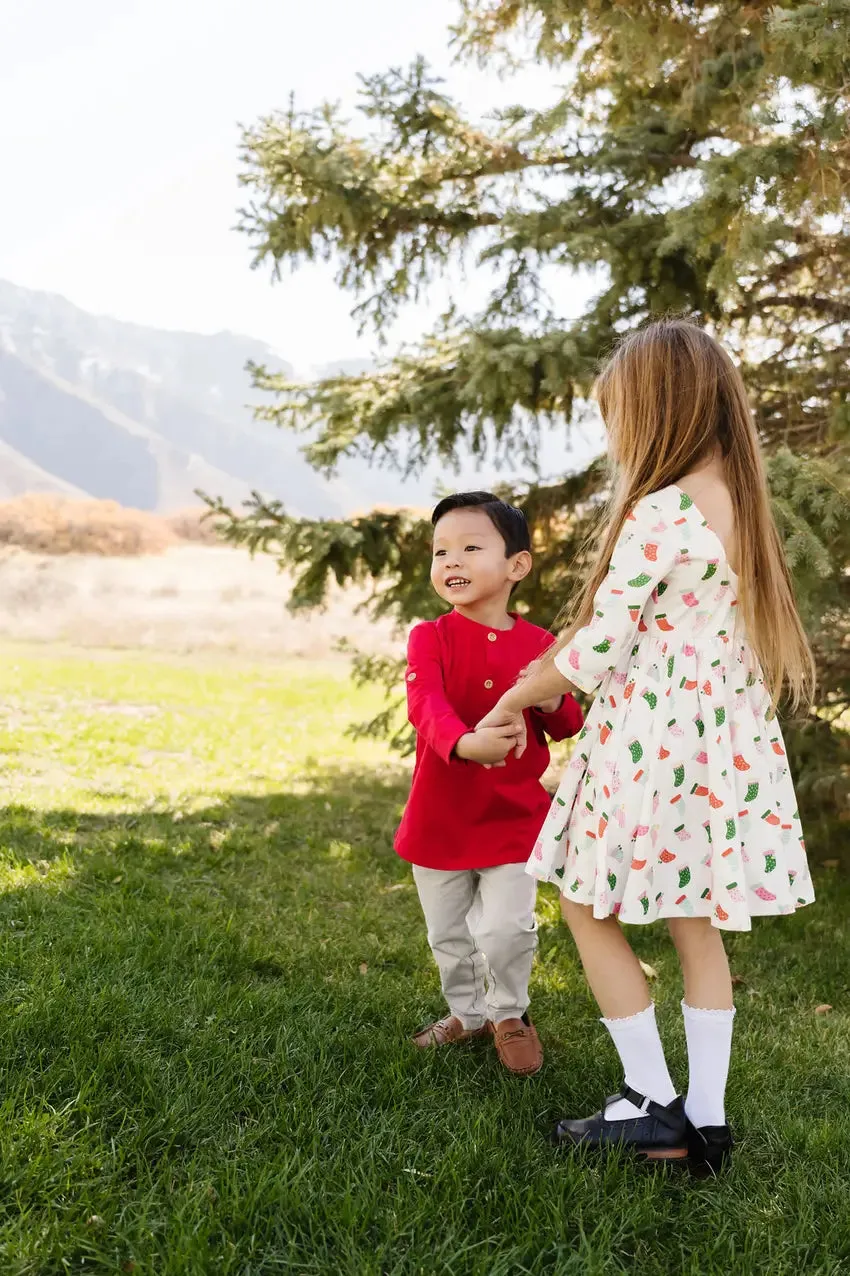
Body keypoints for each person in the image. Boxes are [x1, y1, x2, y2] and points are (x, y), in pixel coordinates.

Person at [475, 319, 815, 1168]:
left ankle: (649, 1100)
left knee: (586, 902)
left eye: (620, 413)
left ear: (657, 410)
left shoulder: (660, 509)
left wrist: (517, 693)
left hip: (653, 738)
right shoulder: (740, 502)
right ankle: (706, 1121)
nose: (615, 430)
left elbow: (597, 648)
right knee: (697, 925)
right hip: (719, 740)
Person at [396, 492, 583, 1075]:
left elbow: (569, 722)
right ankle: (467, 1014)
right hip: (440, 817)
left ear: (516, 566)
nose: (451, 560)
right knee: (448, 936)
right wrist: (463, 743)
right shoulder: (430, 637)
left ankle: (510, 1012)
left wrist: (550, 696)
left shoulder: (539, 645)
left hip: (512, 819)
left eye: (471, 547)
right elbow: (423, 702)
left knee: (505, 930)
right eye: (440, 550)